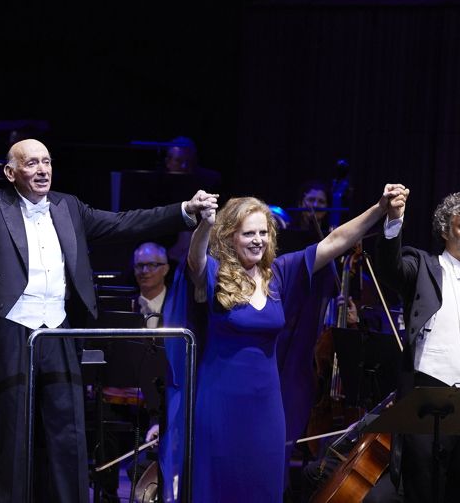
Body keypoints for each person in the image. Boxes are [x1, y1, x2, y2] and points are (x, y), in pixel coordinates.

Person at [0, 138, 217, 503]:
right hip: (12, 331)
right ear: (11, 173)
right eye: (32, 164)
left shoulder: (68, 207)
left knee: (67, 435)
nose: (43, 170)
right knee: (13, 436)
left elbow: (126, 222)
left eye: (47, 161)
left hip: (58, 331)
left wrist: (184, 211)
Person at [162, 184, 406, 502]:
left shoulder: (278, 274)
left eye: (263, 233)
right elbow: (195, 260)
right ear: (230, 237)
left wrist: (379, 208)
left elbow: (334, 242)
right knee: (219, 487)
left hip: (266, 406)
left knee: (263, 486)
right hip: (220, 402)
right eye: (249, 233)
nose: (258, 240)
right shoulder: (216, 274)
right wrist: (206, 224)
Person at [374, 190, 460, 502]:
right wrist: (394, 222)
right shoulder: (424, 266)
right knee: (424, 490)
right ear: (445, 230)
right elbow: (389, 267)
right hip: (428, 399)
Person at [132, 242, 171, 328]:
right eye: (140, 265)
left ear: (165, 269)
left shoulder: (178, 304)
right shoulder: (126, 306)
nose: (144, 271)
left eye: (152, 265)